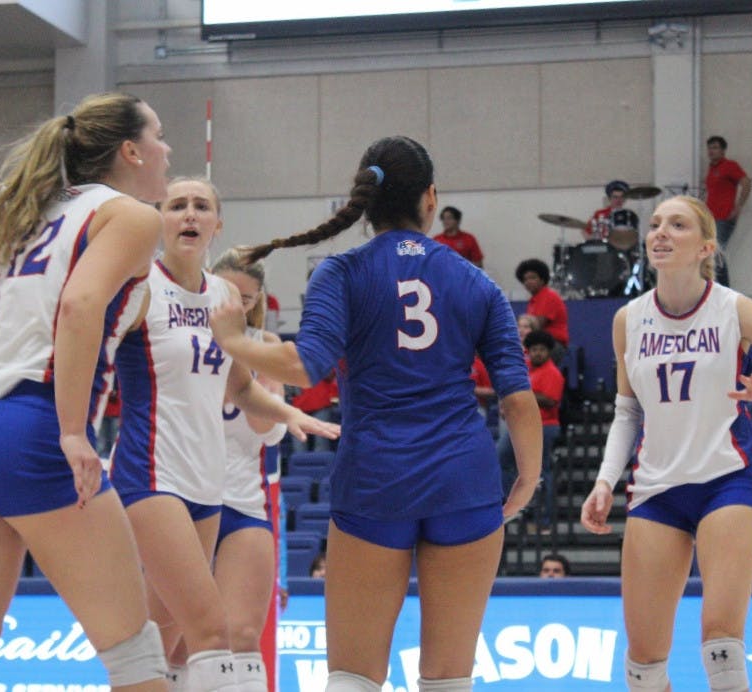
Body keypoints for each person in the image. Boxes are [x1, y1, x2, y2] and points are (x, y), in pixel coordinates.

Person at [209, 135, 542, 692]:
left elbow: (302, 365)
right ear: (431, 198)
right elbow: (517, 399)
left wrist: (231, 339)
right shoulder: (477, 282)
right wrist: (528, 478)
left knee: (354, 677)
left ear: (364, 202)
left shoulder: (340, 273)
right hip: (464, 478)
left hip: (376, 477)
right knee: (449, 678)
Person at [0, 92, 174, 692]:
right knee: (136, 660)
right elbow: (80, 304)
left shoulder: (28, 216)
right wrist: (73, 430)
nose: (167, 149)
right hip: (35, 424)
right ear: (130, 151)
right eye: (158, 135)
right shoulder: (132, 216)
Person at [580, 195, 752, 692]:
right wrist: (605, 480)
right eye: (655, 225)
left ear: (705, 248)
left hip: (725, 484)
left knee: (721, 648)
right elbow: (628, 411)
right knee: (644, 667)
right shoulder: (627, 320)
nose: (660, 233)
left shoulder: (734, 309)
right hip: (656, 492)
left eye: (677, 225)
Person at [109, 177, 339, 692]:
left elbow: (239, 388)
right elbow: (88, 346)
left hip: (207, 482)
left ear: (218, 223)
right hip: (151, 472)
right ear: (160, 219)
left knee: (154, 648)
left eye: (201, 206)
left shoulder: (224, 297)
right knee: (212, 631)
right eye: (177, 205)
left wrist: (289, 414)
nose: (189, 214)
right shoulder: (139, 286)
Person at [212, 248, 290, 692]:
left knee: (241, 636)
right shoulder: (175, 338)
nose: (234, 303)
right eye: (227, 292)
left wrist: (238, 350)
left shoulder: (266, 347)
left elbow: (268, 429)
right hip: (176, 498)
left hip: (241, 500)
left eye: (245, 298)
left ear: (256, 300)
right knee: (179, 638)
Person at [499, 330, 564, 533]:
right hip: (522, 426)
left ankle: (543, 520)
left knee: (542, 471)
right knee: (501, 458)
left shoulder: (552, 372)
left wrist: (522, 398)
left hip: (545, 426)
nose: (537, 353)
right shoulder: (527, 369)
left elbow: (551, 400)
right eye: (534, 349)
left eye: (541, 350)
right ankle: (514, 506)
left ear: (548, 352)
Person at [704, 136, 751, 287]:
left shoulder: (730, 166)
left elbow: (746, 183)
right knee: (713, 254)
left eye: (716, 148)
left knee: (716, 252)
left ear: (723, 150)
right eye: (710, 148)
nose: (712, 151)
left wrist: (738, 207)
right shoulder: (712, 169)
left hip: (723, 217)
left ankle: (723, 290)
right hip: (711, 218)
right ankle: (716, 289)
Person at [515, 259, 568, 364]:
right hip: (537, 343)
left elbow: (536, 326)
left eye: (532, 278)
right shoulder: (532, 301)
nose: (528, 282)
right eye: (525, 279)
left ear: (542, 279)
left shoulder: (549, 296)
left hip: (553, 345)